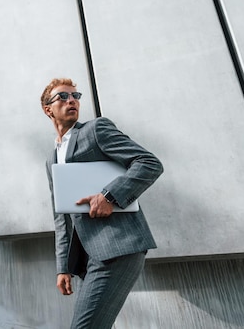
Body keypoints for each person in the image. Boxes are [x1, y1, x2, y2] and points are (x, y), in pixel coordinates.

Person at [41, 77, 163, 329]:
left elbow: (148, 163)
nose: (72, 100)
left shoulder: (95, 130)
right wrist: (62, 267)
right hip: (89, 258)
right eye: (63, 96)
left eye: (76, 96)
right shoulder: (51, 159)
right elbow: (61, 217)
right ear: (48, 109)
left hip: (118, 247)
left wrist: (109, 196)